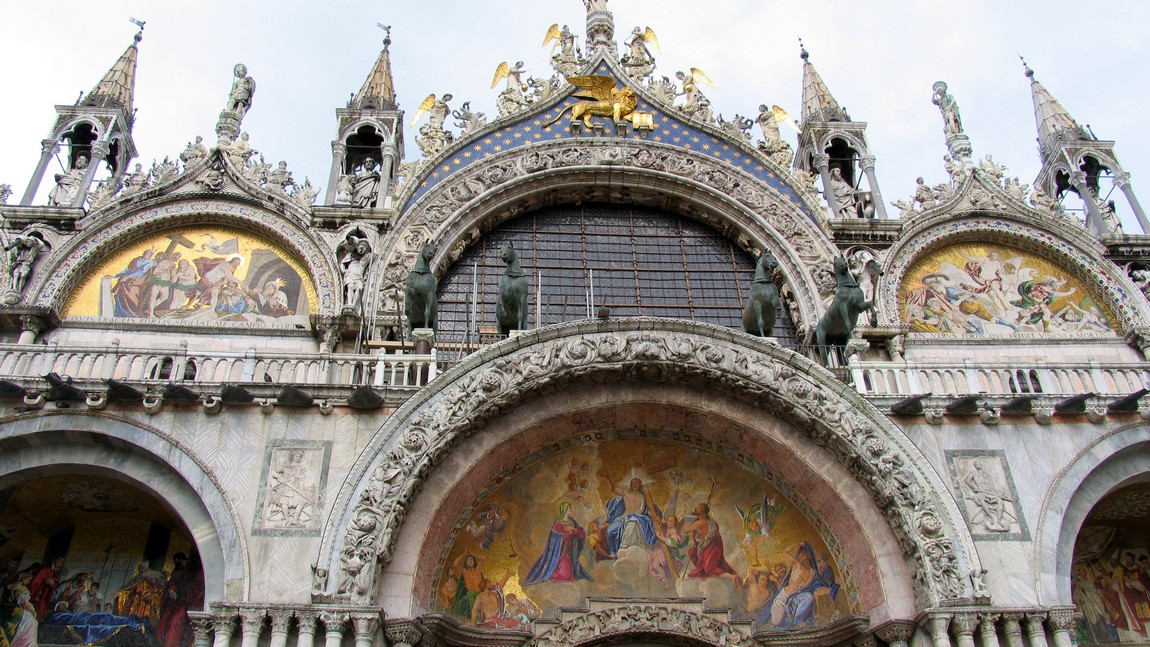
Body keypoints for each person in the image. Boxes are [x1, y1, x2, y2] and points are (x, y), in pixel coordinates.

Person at [523, 502, 592, 584]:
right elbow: (555, 541)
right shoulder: (557, 524)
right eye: (570, 508)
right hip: (558, 554)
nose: (572, 510)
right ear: (565, 510)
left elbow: (582, 533)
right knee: (566, 576)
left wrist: (574, 530)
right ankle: (550, 574)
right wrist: (569, 534)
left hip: (569, 553)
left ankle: (553, 573)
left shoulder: (572, 522)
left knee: (570, 574)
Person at [601, 475, 659, 555]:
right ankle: (613, 551)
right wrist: (607, 477)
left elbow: (651, 508)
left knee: (633, 519)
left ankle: (625, 543)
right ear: (631, 485)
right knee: (609, 531)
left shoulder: (644, 496)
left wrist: (655, 517)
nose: (635, 485)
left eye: (637, 483)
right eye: (633, 483)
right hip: (624, 518)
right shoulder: (626, 493)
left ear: (640, 485)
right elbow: (613, 488)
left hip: (638, 517)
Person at [156, 553, 205, 647]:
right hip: (178, 603)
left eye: (182, 560)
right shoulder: (181, 572)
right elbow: (174, 583)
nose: (181, 563)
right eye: (177, 562)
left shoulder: (197, 573)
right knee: (166, 623)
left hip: (188, 605)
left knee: (175, 623)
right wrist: (171, 589)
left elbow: (197, 589)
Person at [683, 502, 737, 579]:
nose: (695, 508)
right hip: (710, 547)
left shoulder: (699, 523)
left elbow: (685, 530)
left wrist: (690, 519)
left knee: (709, 568)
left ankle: (732, 577)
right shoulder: (710, 521)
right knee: (692, 552)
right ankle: (705, 573)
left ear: (702, 512)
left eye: (698, 507)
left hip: (711, 549)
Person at [110, 249, 157, 317]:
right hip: (126, 279)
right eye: (147, 253)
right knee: (119, 295)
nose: (148, 255)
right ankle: (120, 313)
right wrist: (115, 276)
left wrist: (128, 277)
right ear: (144, 253)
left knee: (132, 295)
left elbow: (141, 272)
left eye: (150, 254)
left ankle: (131, 314)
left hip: (136, 281)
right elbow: (127, 269)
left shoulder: (150, 263)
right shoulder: (136, 259)